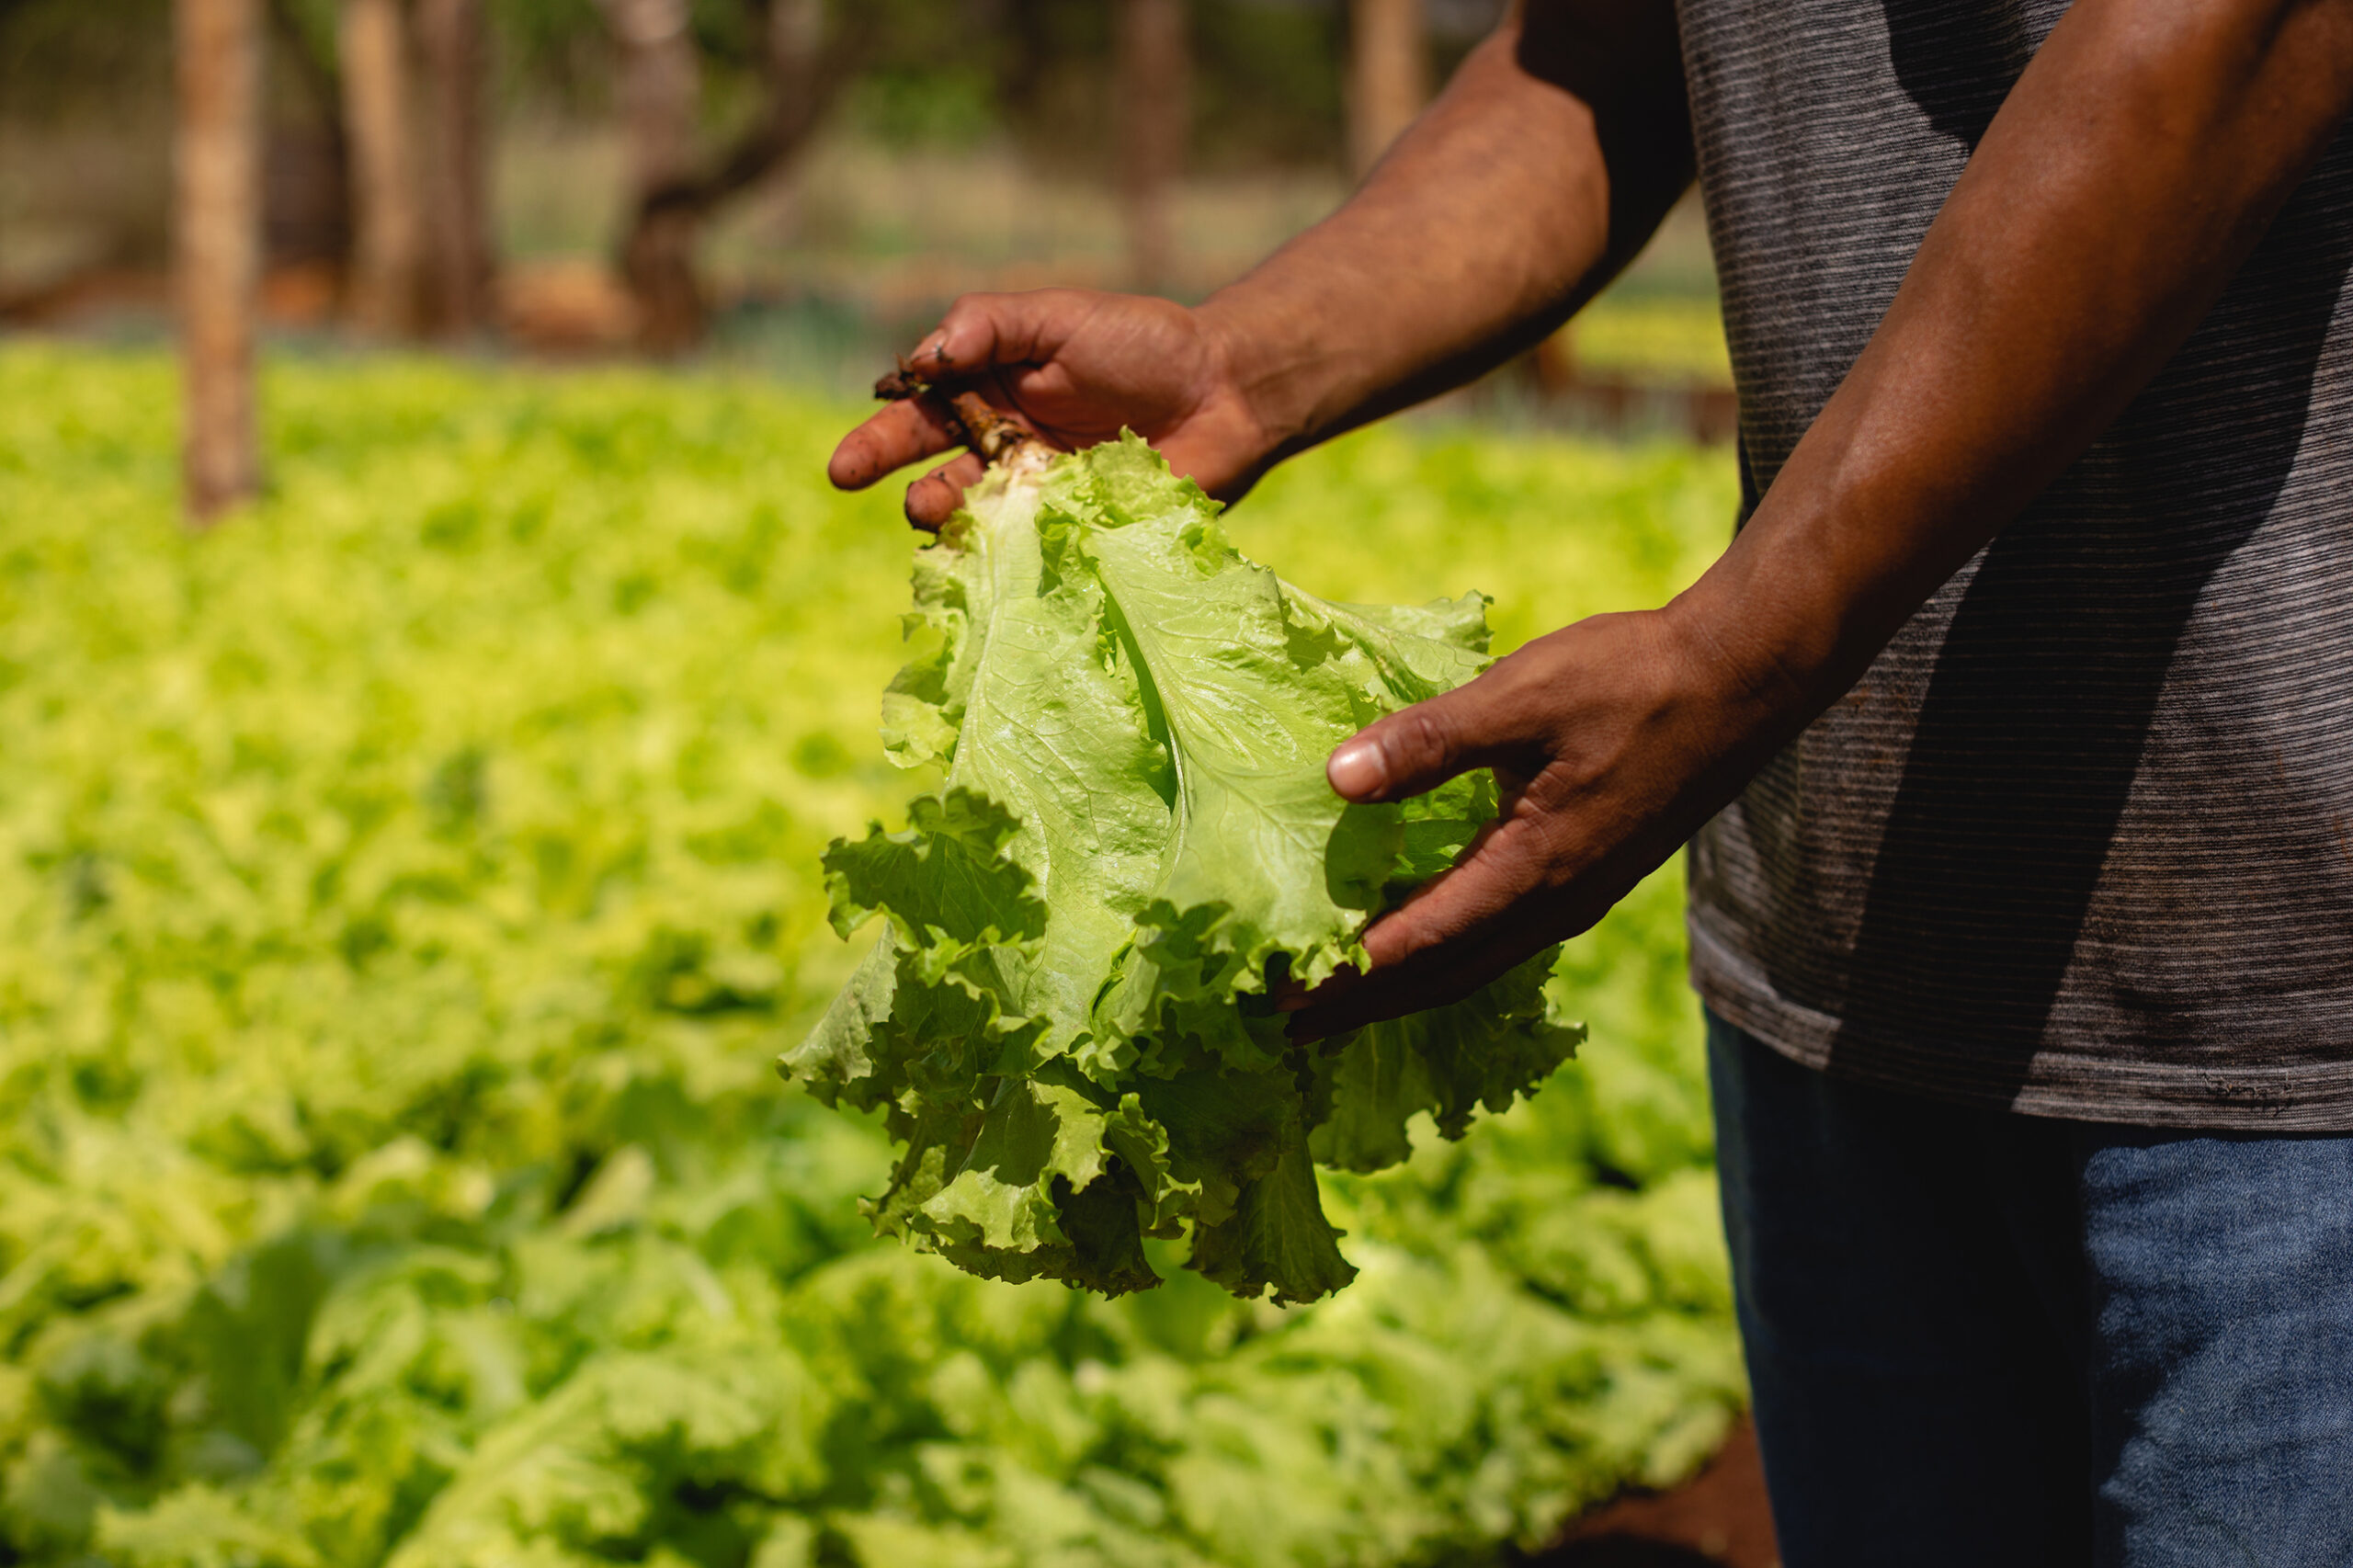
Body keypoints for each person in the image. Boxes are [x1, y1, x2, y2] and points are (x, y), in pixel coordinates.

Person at [828, 2, 2353, 1561]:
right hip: (1843, 954)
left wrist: (1744, 645)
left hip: (2296, 1026)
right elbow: (1614, 50)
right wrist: (1247, 358)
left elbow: (2224, 39)